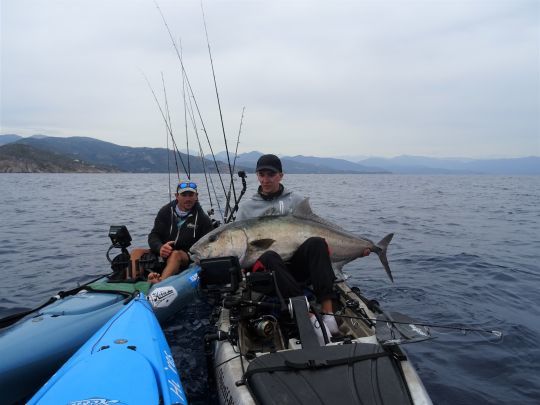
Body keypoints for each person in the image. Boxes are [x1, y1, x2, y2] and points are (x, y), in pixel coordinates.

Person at [236, 154, 370, 344]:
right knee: (271, 255)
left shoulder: (296, 201)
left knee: (317, 242)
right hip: (267, 271)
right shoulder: (247, 208)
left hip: (295, 267)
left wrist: (358, 248)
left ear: (280, 175)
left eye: (271, 174)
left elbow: (317, 226)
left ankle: (328, 315)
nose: (266, 179)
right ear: (257, 176)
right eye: (261, 174)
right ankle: (310, 318)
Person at [144, 180, 213, 283]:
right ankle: (129, 283)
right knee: (136, 252)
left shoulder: (203, 219)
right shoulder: (165, 211)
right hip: (164, 253)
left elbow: (209, 246)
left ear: (196, 196)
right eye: (184, 195)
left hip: (187, 257)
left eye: (191, 195)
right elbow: (154, 235)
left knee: (176, 254)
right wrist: (160, 248)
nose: (188, 199)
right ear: (177, 196)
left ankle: (159, 285)